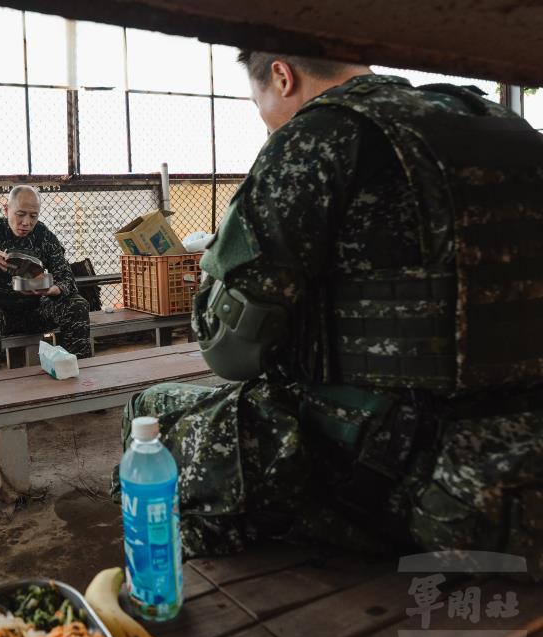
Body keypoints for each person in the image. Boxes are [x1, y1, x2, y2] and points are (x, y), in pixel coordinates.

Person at [116, 52, 543, 576]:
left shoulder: (320, 135)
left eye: (259, 107)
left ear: (282, 75)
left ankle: (232, 598)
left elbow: (228, 350)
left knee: (151, 414)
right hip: (523, 454)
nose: (266, 120)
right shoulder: (495, 120)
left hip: (406, 476)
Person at [0, 185, 92, 372]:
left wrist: (52, 289)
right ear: (6, 209)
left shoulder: (43, 236)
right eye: (20, 214)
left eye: (33, 216)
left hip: (36, 311)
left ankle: (79, 373)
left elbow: (67, 278)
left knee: (77, 304)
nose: (26, 222)